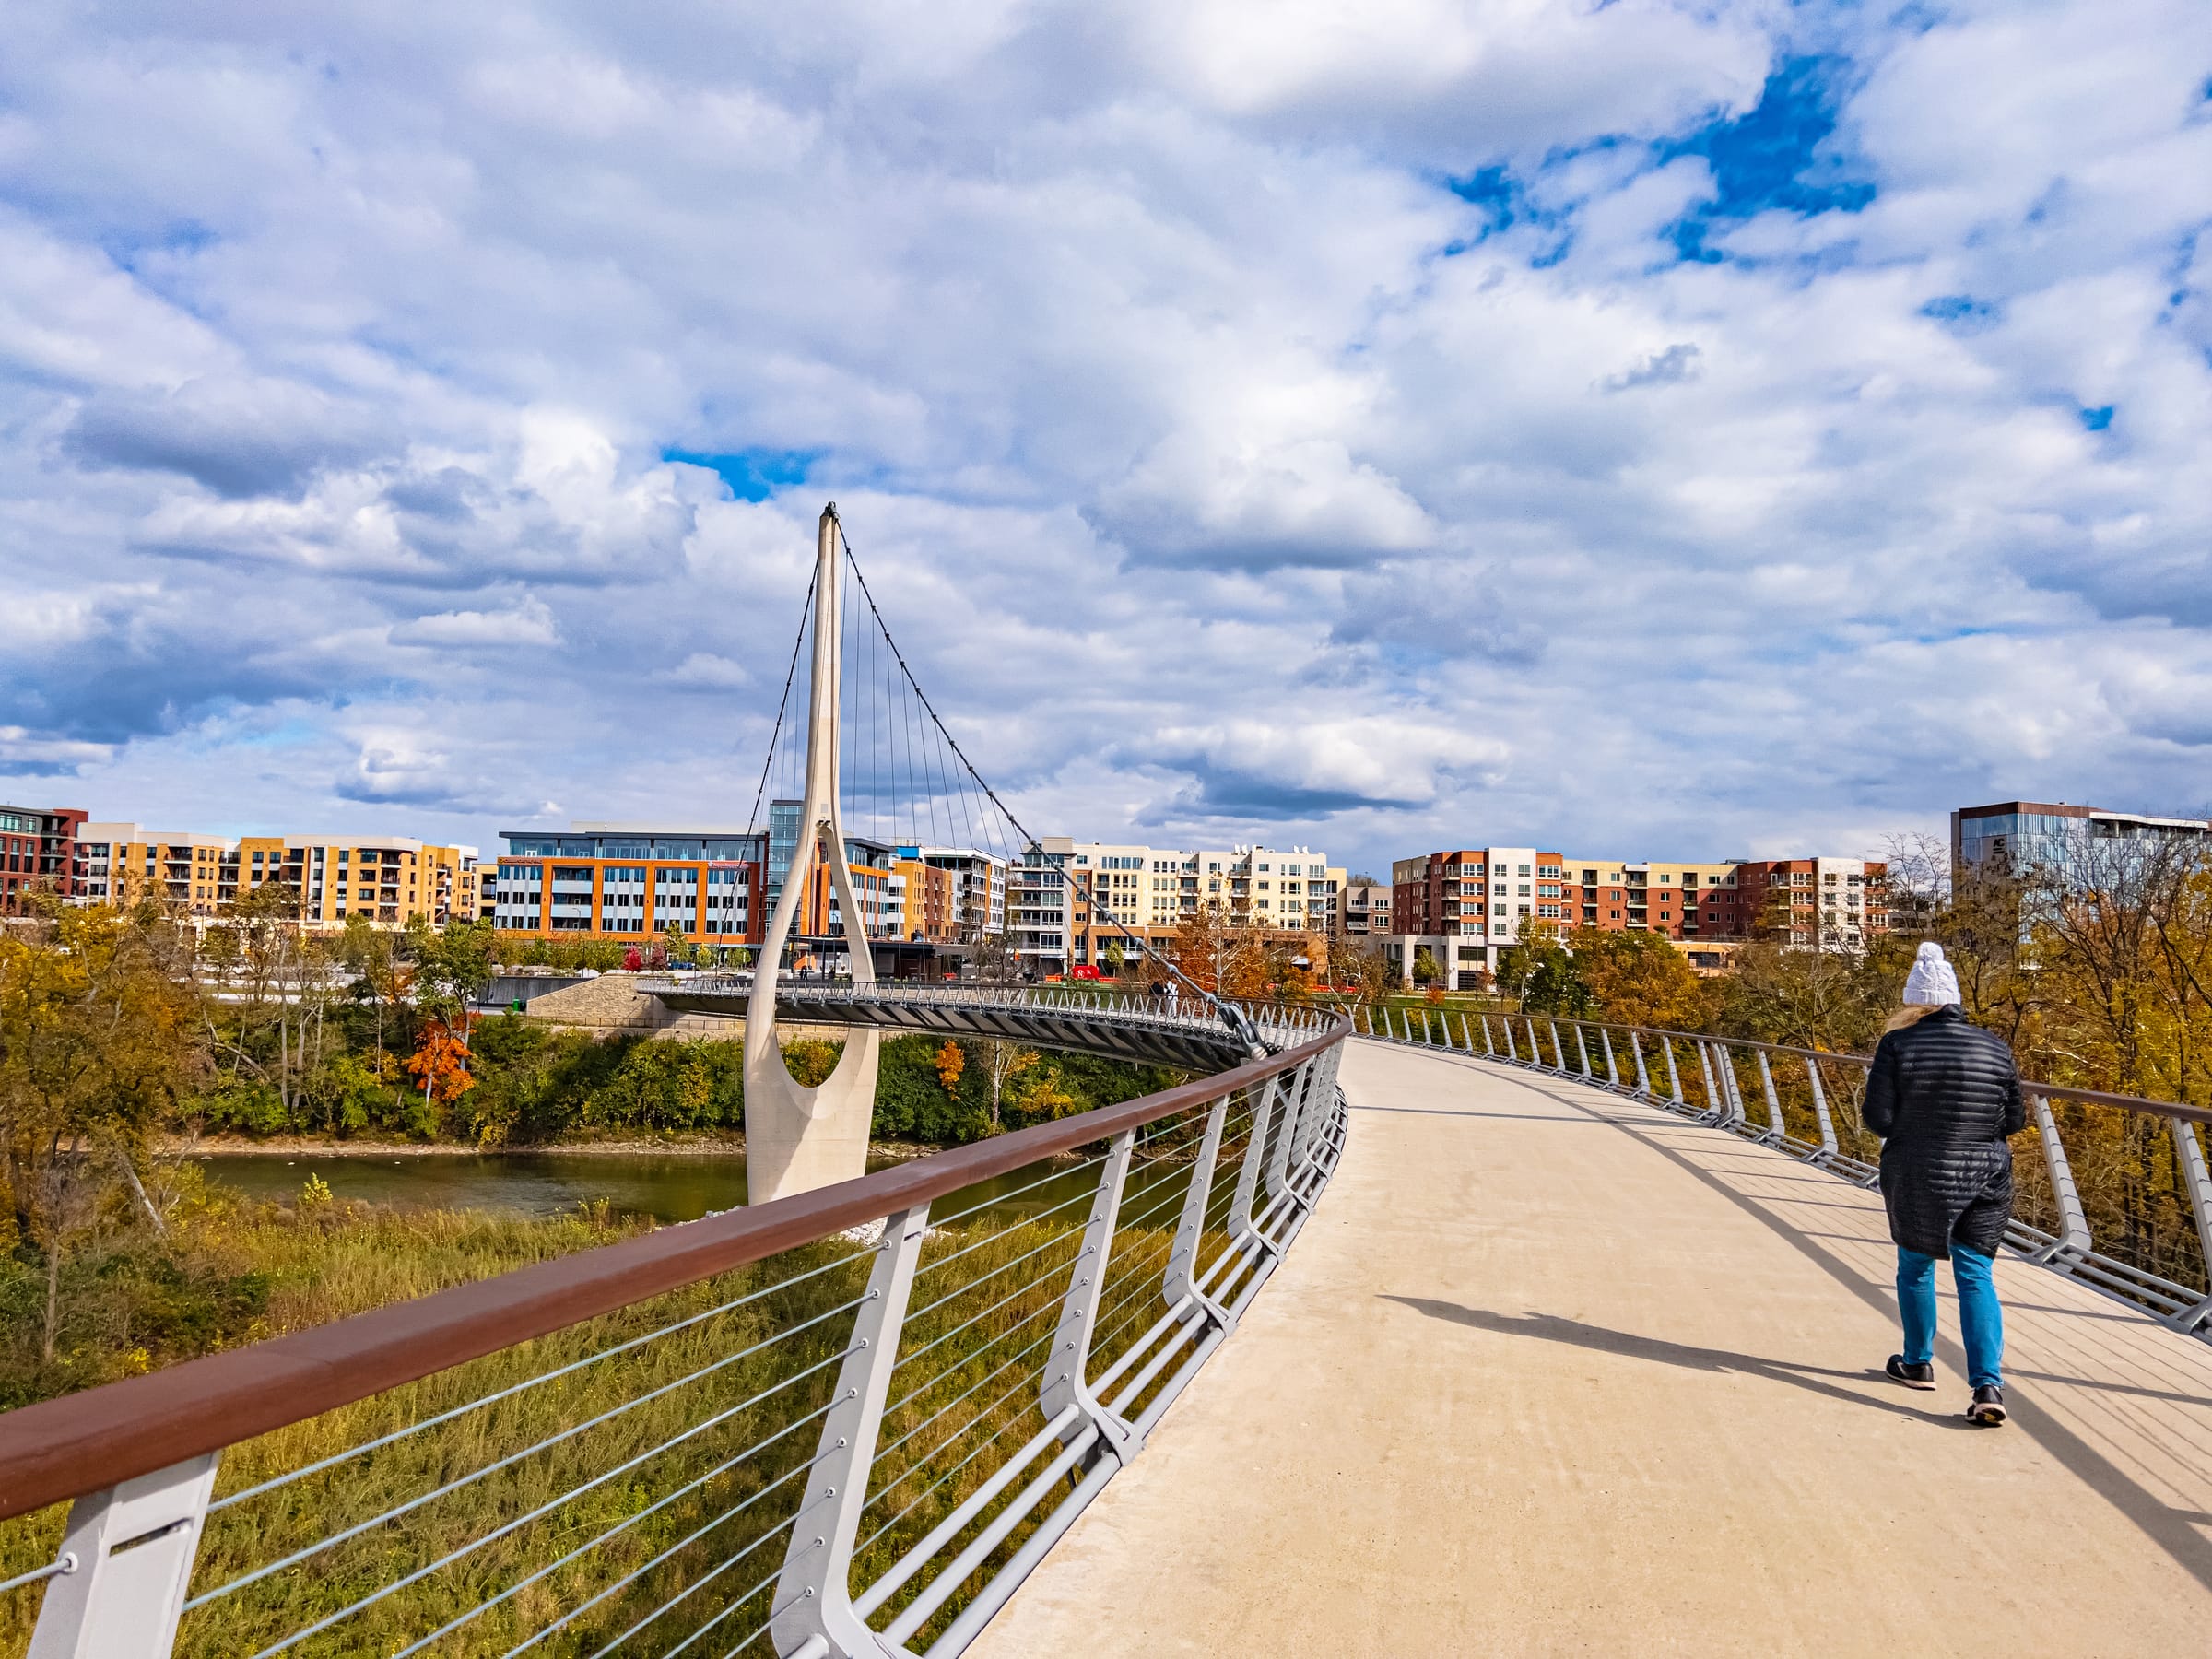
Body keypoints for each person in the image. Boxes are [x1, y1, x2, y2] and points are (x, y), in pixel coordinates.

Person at [1863, 941, 2026, 1426]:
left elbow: (1878, 1117)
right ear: (1954, 999)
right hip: (1986, 1173)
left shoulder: (1898, 1044)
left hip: (1920, 1172)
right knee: (1975, 1272)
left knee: (1916, 1266)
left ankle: (1916, 1363)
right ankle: (1987, 1386)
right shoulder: (1996, 1046)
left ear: (1914, 1002)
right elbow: (2013, 1118)